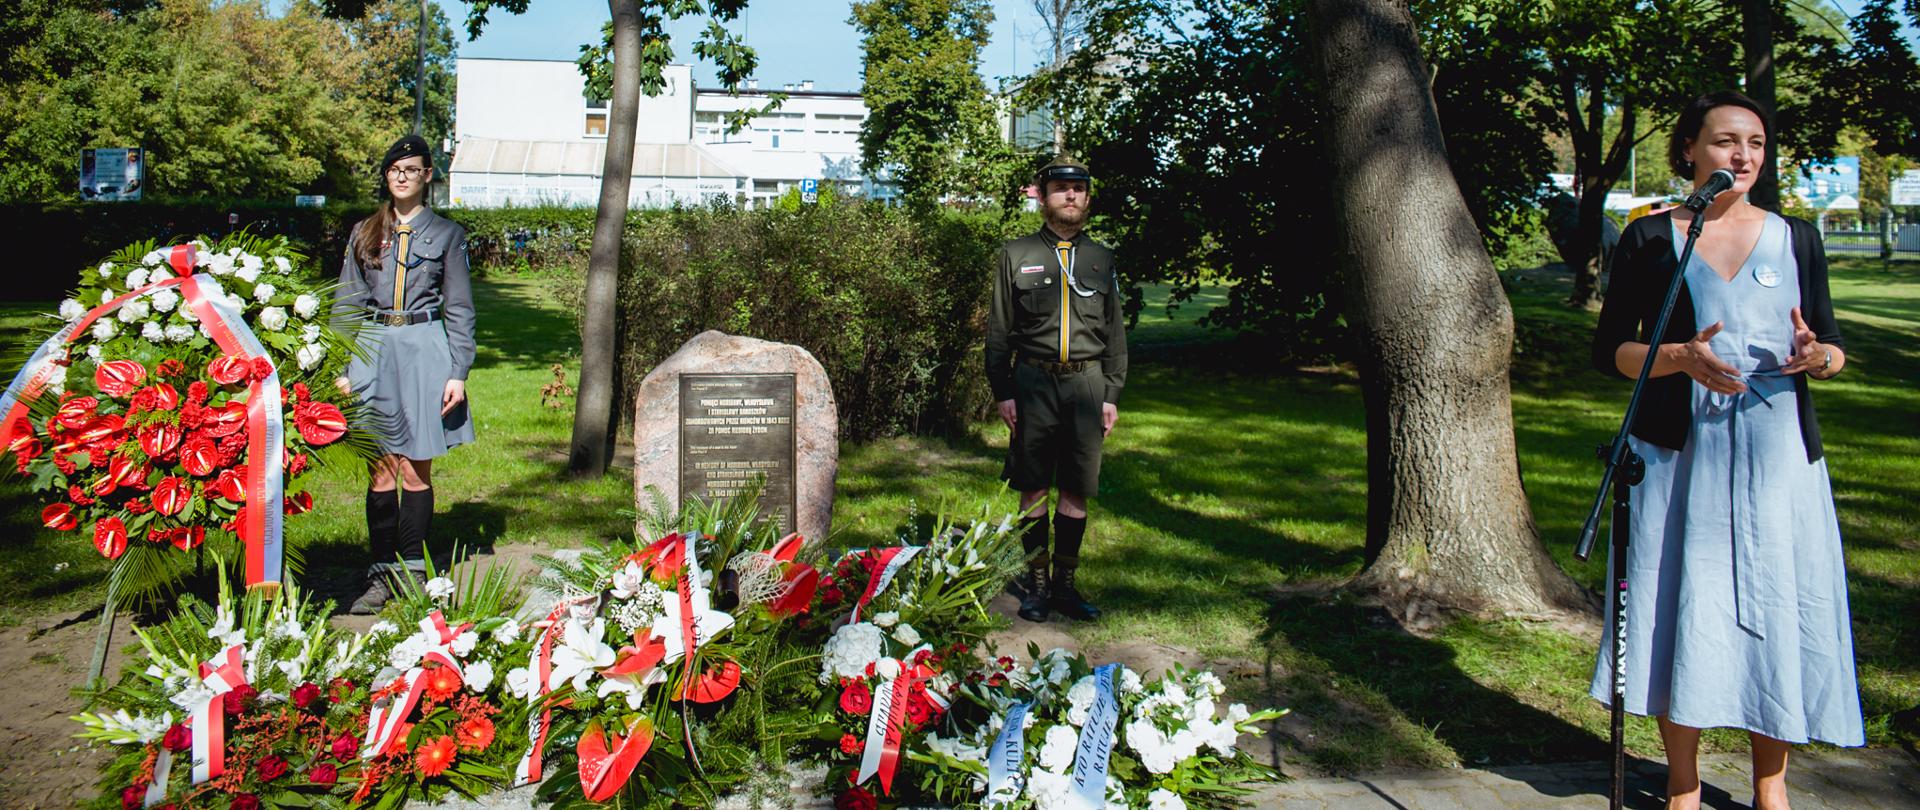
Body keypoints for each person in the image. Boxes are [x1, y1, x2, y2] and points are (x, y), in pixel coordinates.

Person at [1588, 91, 1862, 810]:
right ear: (1690, 152)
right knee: (1684, 609)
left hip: (1779, 465)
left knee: (1779, 613)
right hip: (1680, 460)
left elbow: (1832, 345)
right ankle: (1683, 784)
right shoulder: (1650, 239)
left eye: (1757, 144)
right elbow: (1609, 349)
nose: (1743, 156)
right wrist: (1676, 355)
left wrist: (1818, 358)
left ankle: (1772, 787)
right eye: (1725, 142)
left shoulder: (1797, 237)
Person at [337, 134, 476, 614]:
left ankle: (413, 570)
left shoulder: (447, 235)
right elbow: (347, 303)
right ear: (386, 175)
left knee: (415, 467)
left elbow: (459, 308)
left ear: (427, 176)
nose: (402, 176)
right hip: (374, 352)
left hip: (424, 352)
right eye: (395, 169)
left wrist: (458, 371)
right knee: (380, 468)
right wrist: (342, 366)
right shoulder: (364, 232)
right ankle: (379, 574)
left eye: (412, 169)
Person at [985, 158, 1128, 623]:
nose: (1070, 196)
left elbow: (1115, 333)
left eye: (1078, 189)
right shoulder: (1016, 254)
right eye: (1061, 188)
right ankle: (1038, 584)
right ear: (1043, 196)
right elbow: (999, 330)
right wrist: (1003, 390)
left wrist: (1111, 394)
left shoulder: (1101, 258)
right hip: (1032, 382)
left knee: (1077, 485)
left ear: (1087, 198)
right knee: (1032, 485)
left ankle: (1066, 584)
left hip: (1087, 384)